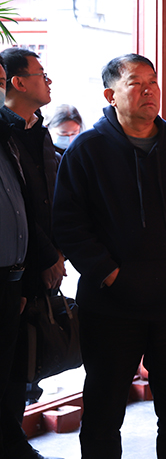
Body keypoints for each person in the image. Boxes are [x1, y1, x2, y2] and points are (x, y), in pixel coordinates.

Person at [52, 53, 166, 459]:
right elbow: (69, 225)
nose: (149, 90)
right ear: (110, 95)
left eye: (153, 82)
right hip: (111, 305)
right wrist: (110, 274)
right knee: (104, 411)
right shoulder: (87, 150)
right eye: (136, 83)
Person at [0, 48, 64, 459]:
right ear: (18, 82)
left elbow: (47, 199)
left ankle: (14, 440)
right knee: (8, 364)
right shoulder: (6, 132)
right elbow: (19, 201)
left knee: (24, 359)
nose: (48, 80)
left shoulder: (39, 129)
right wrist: (44, 257)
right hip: (18, 264)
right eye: (41, 74)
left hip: (39, 258)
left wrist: (58, 252)